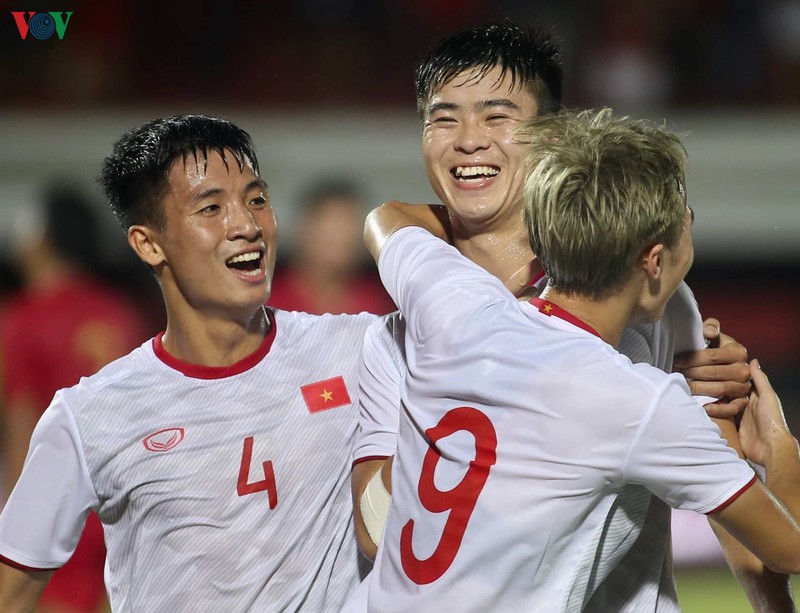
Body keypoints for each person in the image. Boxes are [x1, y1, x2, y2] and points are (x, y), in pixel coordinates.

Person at [350, 21, 793, 612]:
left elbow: (724, 480)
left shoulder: (650, 301)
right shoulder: (398, 335)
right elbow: (375, 531)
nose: (469, 140)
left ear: (553, 135)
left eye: (497, 116)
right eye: (444, 119)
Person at [0, 115, 376, 612]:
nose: (247, 226)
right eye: (211, 208)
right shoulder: (88, 416)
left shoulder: (357, 348)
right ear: (149, 244)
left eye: (256, 199)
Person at [1, 184, 148, 613]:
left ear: (41, 239)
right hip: (120, 507)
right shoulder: (120, 312)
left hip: (54, 507)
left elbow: (21, 423)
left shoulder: (23, 319)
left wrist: (16, 522)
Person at [268, 178, 395, 315]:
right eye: (330, 227)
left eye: (347, 225)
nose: (340, 238)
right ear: (303, 230)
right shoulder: (266, 304)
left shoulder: (380, 305)